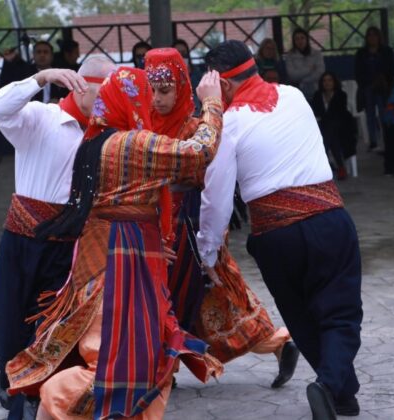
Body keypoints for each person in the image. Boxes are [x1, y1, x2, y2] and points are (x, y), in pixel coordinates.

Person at [5, 67, 224, 420]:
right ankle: (52, 401)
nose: (152, 102)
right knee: (127, 360)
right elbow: (199, 152)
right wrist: (212, 103)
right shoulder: (133, 143)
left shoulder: (96, 141)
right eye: (145, 95)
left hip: (112, 251)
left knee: (139, 355)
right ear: (131, 100)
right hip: (124, 260)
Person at [197, 40, 363, 419]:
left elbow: (216, 199)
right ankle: (331, 386)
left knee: (302, 316)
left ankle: (340, 392)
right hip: (328, 219)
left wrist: (207, 252)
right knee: (340, 313)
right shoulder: (294, 96)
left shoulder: (228, 124)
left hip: (275, 236)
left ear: (220, 85)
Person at [145, 47, 299, 386]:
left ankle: (277, 342)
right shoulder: (139, 122)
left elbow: (214, 186)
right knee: (179, 303)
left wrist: (207, 241)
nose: (157, 99)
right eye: (151, 89)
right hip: (152, 231)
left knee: (212, 303)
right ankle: (276, 342)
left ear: (184, 86)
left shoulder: (198, 127)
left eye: (165, 90)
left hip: (189, 228)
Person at [0, 57, 114, 419]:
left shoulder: (107, 133)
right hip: (22, 241)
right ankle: (7, 369)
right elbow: (0, 107)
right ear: (80, 84)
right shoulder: (41, 117)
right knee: (9, 327)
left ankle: (27, 399)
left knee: (48, 331)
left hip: (70, 248)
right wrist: (39, 77)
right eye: (102, 91)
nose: (108, 100)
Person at [354, 27, 394, 151]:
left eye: (375, 35)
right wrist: (366, 84)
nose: (372, 38)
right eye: (370, 35)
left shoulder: (387, 51)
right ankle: (373, 141)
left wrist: (384, 80)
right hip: (368, 88)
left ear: (379, 37)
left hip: (383, 88)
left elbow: (391, 69)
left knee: (384, 115)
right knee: (370, 116)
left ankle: (387, 140)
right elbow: (358, 71)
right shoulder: (361, 53)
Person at [311, 72, 357, 180]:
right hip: (323, 126)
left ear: (334, 82)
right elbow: (315, 111)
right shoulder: (317, 95)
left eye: (330, 80)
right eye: (324, 80)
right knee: (332, 138)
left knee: (330, 131)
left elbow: (339, 112)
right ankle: (340, 167)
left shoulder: (341, 94)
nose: (327, 83)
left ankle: (328, 164)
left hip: (340, 126)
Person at [0, 41, 67, 103]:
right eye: (38, 52)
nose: (42, 55)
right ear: (33, 55)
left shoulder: (59, 73)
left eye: (45, 52)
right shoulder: (25, 73)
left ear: (52, 56)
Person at [285, 28, 325, 101]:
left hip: (316, 89)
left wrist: (303, 81)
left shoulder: (317, 54)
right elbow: (292, 75)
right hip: (297, 91)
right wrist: (309, 69)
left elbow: (320, 72)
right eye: (297, 39)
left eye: (302, 38)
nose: (300, 41)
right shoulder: (289, 56)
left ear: (307, 39)